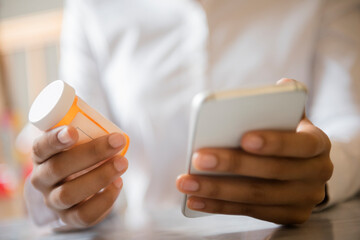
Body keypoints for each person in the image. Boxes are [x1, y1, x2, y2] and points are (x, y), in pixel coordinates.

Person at [24, 0, 360, 231]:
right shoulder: (93, 8)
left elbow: (348, 121)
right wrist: (56, 199)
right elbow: (62, 154)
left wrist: (323, 174)